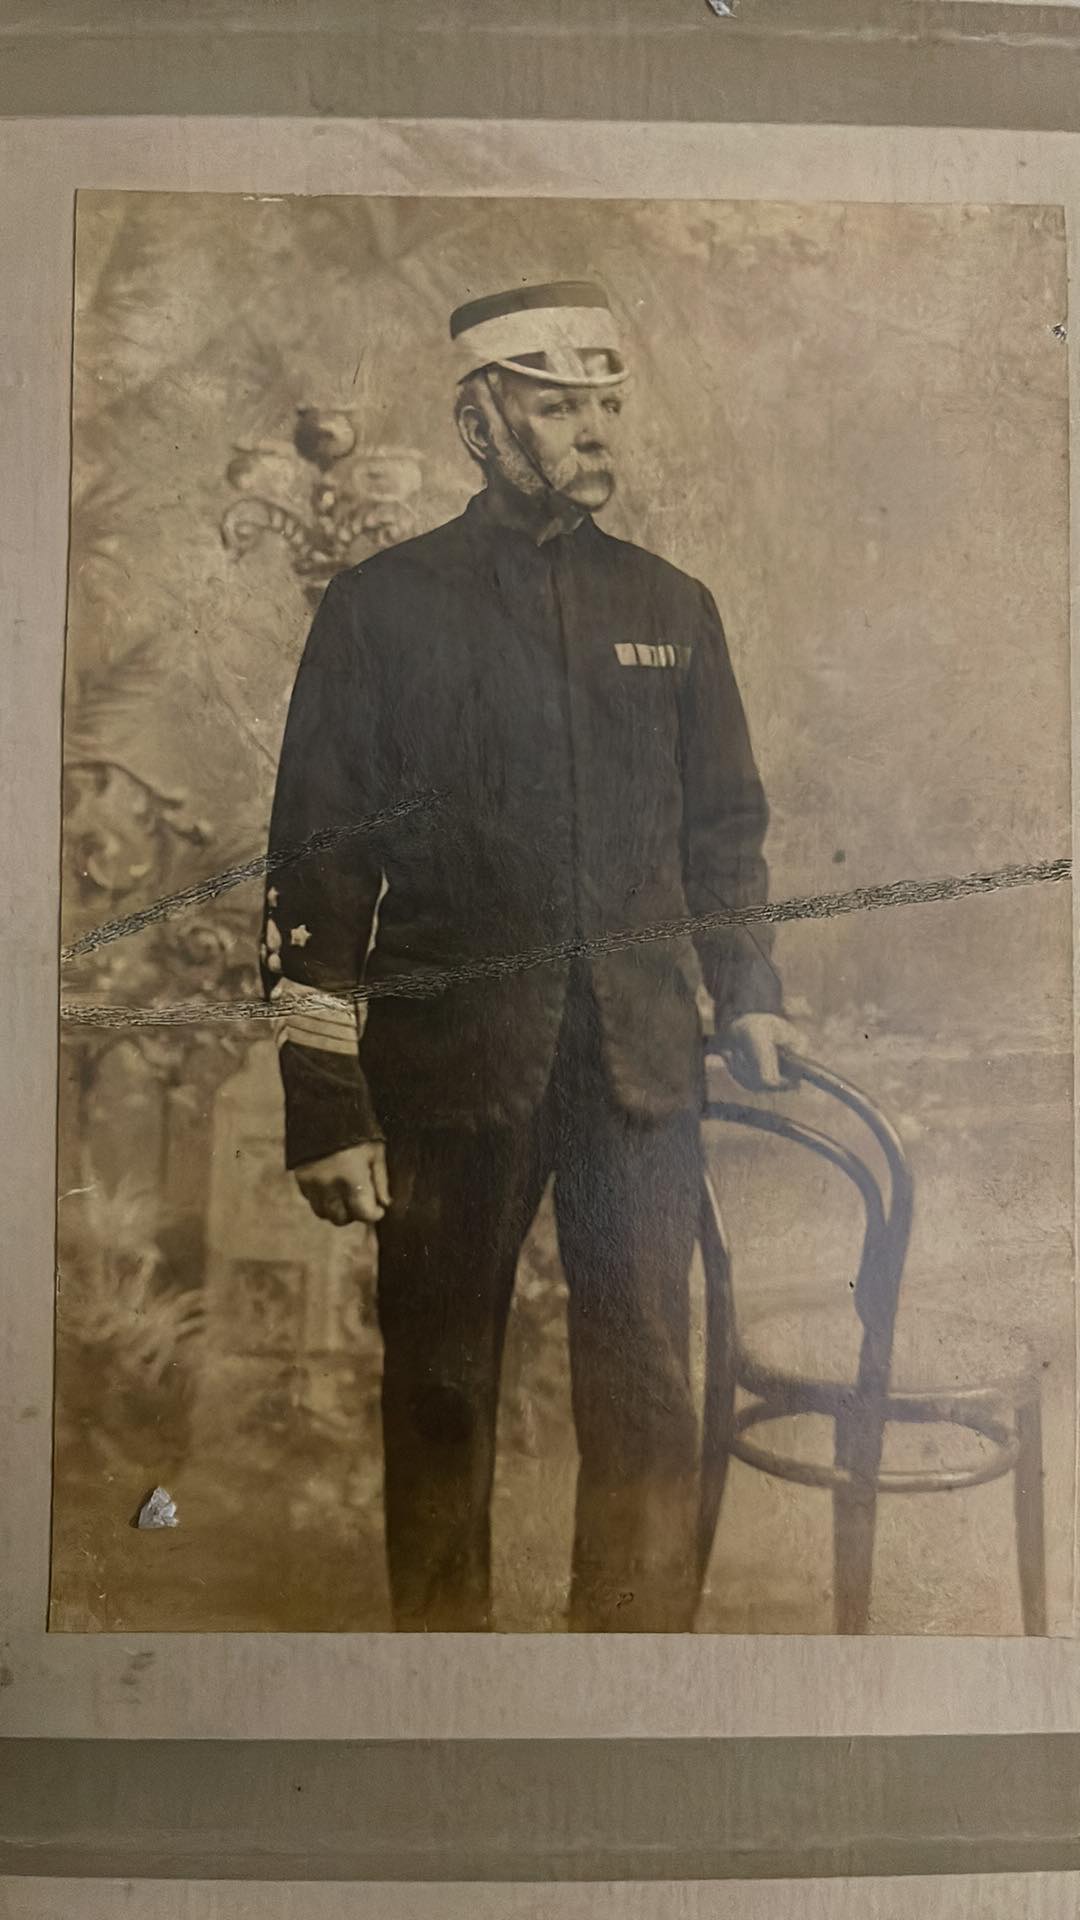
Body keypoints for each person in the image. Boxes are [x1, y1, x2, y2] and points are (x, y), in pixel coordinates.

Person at [260, 280, 802, 1630]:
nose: (595, 431)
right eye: (559, 406)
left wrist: (751, 996)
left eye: (607, 403)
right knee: (439, 1384)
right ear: (481, 422)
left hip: (636, 1070)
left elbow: (725, 826)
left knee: (643, 1388)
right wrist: (328, 1104)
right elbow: (316, 855)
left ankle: (628, 1682)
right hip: (446, 1070)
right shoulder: (382, 609)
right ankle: (443, 1678)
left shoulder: (672, 604)